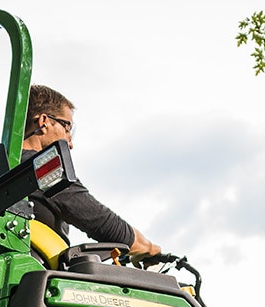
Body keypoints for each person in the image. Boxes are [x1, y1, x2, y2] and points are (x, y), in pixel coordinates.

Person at [22, 84, 162, 258]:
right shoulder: (41, 170)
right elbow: (103, 223)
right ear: (44, 122)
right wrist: (149, 248)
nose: (70, 143)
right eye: (67, 128)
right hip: (31, 276)